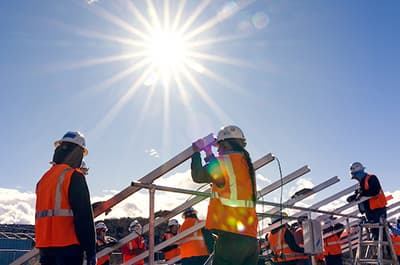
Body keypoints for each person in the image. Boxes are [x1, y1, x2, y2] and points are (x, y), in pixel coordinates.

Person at [191, 125, 259, 265]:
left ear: (226, 144)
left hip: (231, 238)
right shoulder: (245, 164)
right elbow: (221, 177)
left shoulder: (224, 161)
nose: (218, 150)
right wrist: (208, 152)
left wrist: (196, 153)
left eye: (219, 147)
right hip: (250, 239)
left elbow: (198, 175)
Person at [35, 131, 96, 265]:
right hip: (68, 247)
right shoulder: (73, 176)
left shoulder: (43, 180)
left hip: (45, 247)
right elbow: (84, 216)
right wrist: (91, 250)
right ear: (78, 153)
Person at [347, 162, 387, 239]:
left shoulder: (371, 178)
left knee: (381, 233)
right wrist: (352, 197)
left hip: (378, 209)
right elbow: (360, 193)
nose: (356, 178)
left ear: (359, 173)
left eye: (355, 176)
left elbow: (375, 191)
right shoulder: (361, 183)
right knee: (375, 233)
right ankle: (378, 250)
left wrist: (361, 194)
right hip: (369, 210)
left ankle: (385, 250)